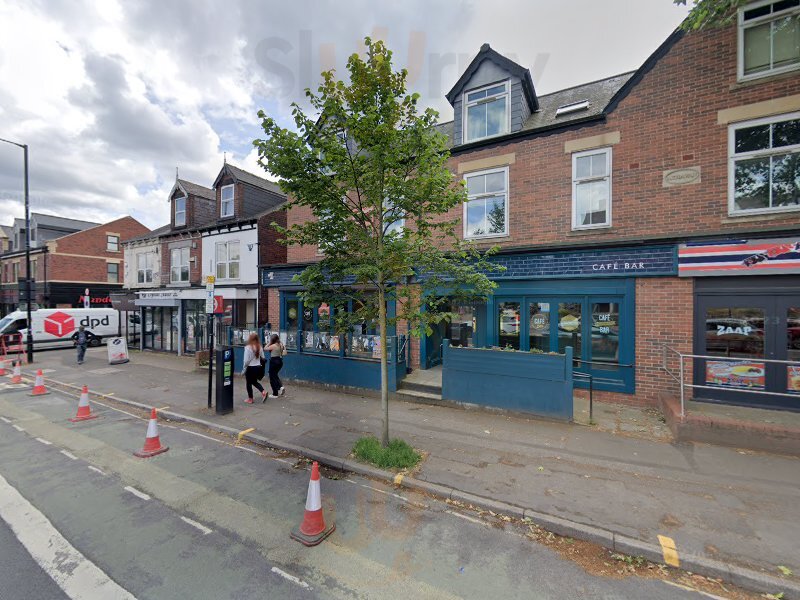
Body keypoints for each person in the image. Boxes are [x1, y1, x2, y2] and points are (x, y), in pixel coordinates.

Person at [240, 333, 266, 404]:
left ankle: (250, 399)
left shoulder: (248, 347)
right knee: (254, 382)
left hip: (250, 368)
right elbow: (263, 358)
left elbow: (246, 361)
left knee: (248, 383)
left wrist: (244, 368)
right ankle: (263, 392)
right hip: (258, 367)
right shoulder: (260, 347)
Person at [265, 333, 285, 399]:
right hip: (280, 361)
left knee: (272, 378)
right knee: (275, 375)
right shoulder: (281, 344)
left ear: (272, 340)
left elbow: (265, 348)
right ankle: (280, 387)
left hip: (274, 361)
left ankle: (275, 394)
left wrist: (269, 342)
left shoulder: (273, 346)